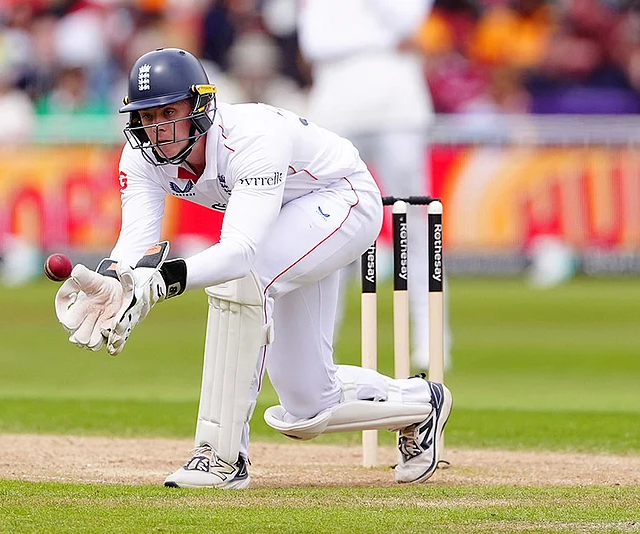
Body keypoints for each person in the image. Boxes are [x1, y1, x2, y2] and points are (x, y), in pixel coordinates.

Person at [53, 48, 453, 489]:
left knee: (242, 280)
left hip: (343, 200)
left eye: (170, 112)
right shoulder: (141, 157)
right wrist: (114, 282)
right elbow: (134, 243)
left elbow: (241, 251)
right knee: (306, 408)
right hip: (289, 219)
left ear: (200, 106)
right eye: (147, 116)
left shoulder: (251, 137)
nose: (158, 129)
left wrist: (161, 283)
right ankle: (421, 404)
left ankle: (220, 457)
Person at [298, 0, 450, 370]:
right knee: (327, 225)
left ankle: (432, 339)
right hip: (336, 105)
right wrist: (380, 39)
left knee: (417, 224)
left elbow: (408, 19)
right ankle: (319, 341)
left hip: (397, 106)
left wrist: (367, 32)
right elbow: (315, 42)